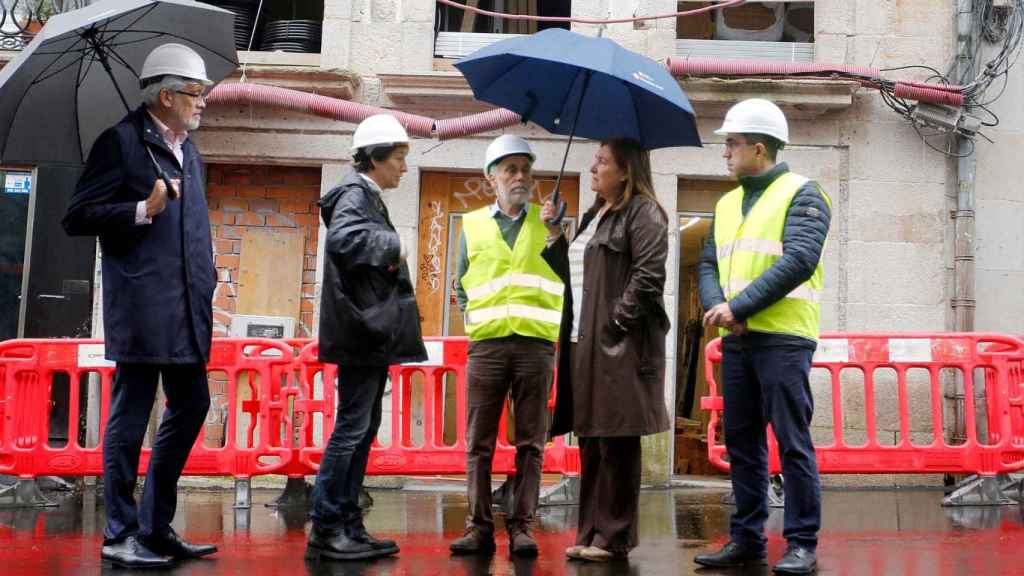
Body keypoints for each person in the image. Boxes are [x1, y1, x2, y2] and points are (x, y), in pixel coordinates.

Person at [62, 43, 218, 569]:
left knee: (193, 403)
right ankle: (119, 533)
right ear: (168, 95)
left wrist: (208, 277)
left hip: (189, 305)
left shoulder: (189, 151)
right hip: (144, 304)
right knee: (130, 414)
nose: (204, 103)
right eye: (197, 94)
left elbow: (194, 228)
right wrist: (140, 208)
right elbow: (77, 216)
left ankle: (154, 526)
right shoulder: (122, 143)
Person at [693, 98, 831, 575]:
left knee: (792, 442)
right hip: (739, 340)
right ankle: (747, 539)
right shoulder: (727, 202)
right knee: (742, 444)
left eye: (731, 144)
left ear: (758, 147)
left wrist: (739, 307)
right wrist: (720, 308)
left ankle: (801, 543)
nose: (725, 152)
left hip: (784, 340)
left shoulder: (805, 193)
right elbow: (709, 261)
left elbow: (799, 261)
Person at [306, 113, 427, 562]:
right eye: (398, 158)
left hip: (365, 334)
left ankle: (348, 524)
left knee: (361, 429)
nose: (403, 167)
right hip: (360, 334)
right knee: (351, 430)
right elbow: (344, 240)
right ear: (375, 158)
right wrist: (394, 247)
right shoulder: (355, 194)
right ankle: (327, 527)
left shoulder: (365, 195)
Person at [548, 138, 671, 563]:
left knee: (617, 440)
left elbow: (649, 274)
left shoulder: (645, 213)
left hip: (620, 344)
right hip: (586, 342)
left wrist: (617, 322)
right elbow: (578, 276)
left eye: (603, 160)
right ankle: (590, 531)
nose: (594, 166)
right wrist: (554, 235)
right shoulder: (595, 213)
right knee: (592, 439)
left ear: (626, 170)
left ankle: (614, 537)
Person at [448, 135, 564, 558]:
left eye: (525, 169)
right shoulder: (473, 224)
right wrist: (478, 325)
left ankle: (522, 527)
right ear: (491, 177)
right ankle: (478, 527)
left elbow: (564, 276)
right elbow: (461, 285)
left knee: (531, 443)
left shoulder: (549, 223)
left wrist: (556, 233)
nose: (520, 177)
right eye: (510, 169)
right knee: (478, 442)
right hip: (489, 347)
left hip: (535, 346)